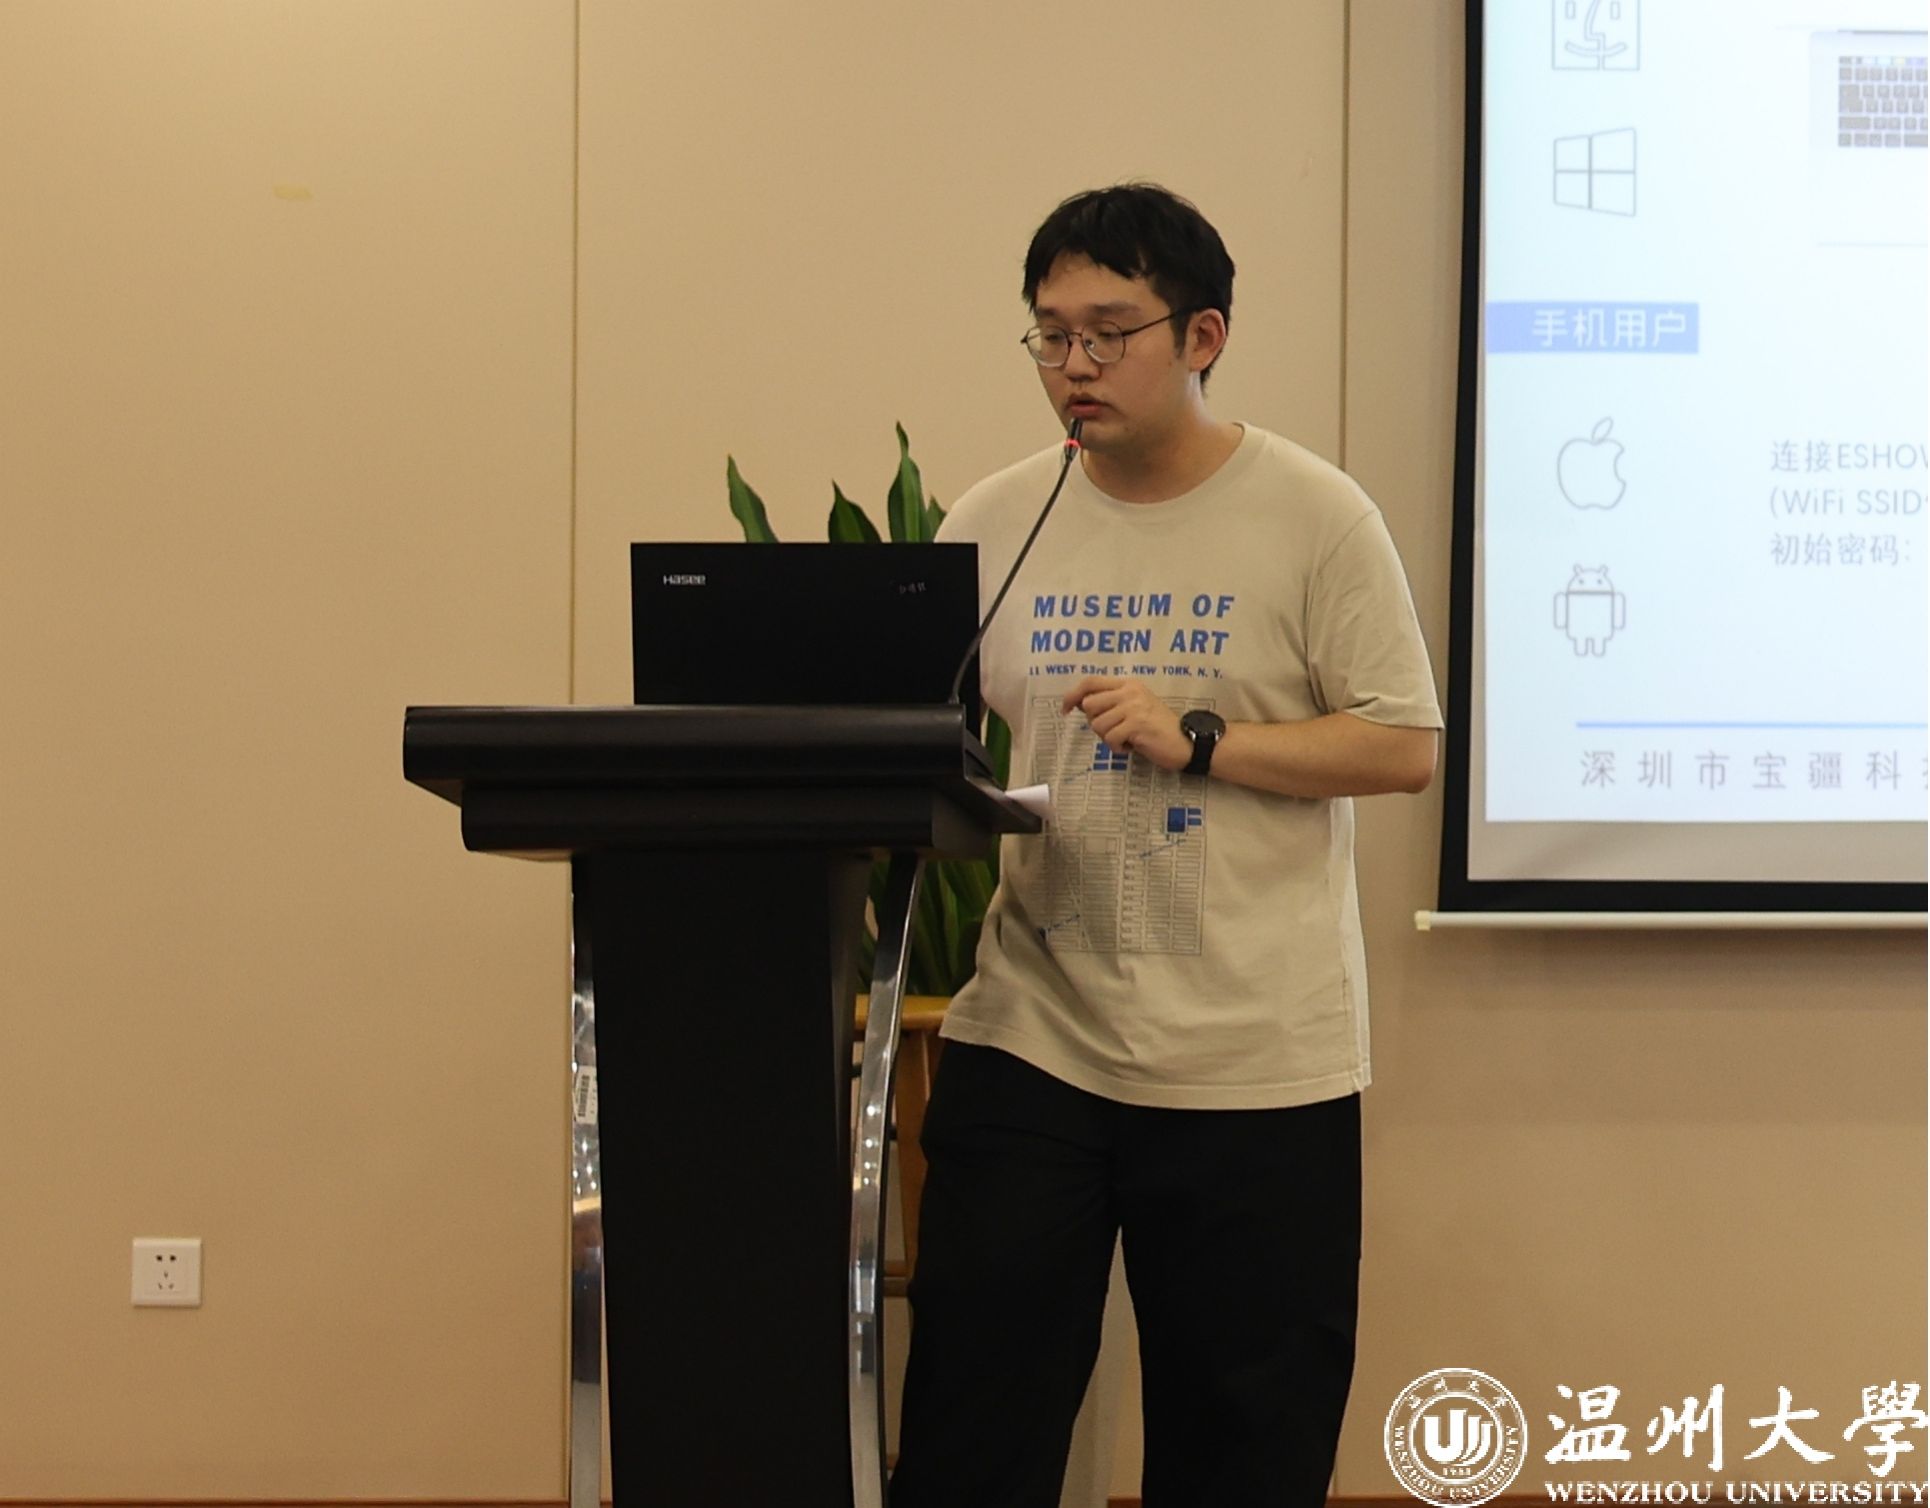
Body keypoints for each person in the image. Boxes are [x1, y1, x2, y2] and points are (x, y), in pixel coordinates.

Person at [887, 184, 1443, 1508]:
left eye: (1108, 332)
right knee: (971, 1425)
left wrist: (1203, 741)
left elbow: (1400, 745)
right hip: (1034, 1034)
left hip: (1256, 1055)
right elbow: (906, 741)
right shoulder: (993, 520)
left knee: (1242, 1443)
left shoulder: (1314, 514)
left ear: (1202, 337)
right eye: (1050, 335)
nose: (1073, 365)